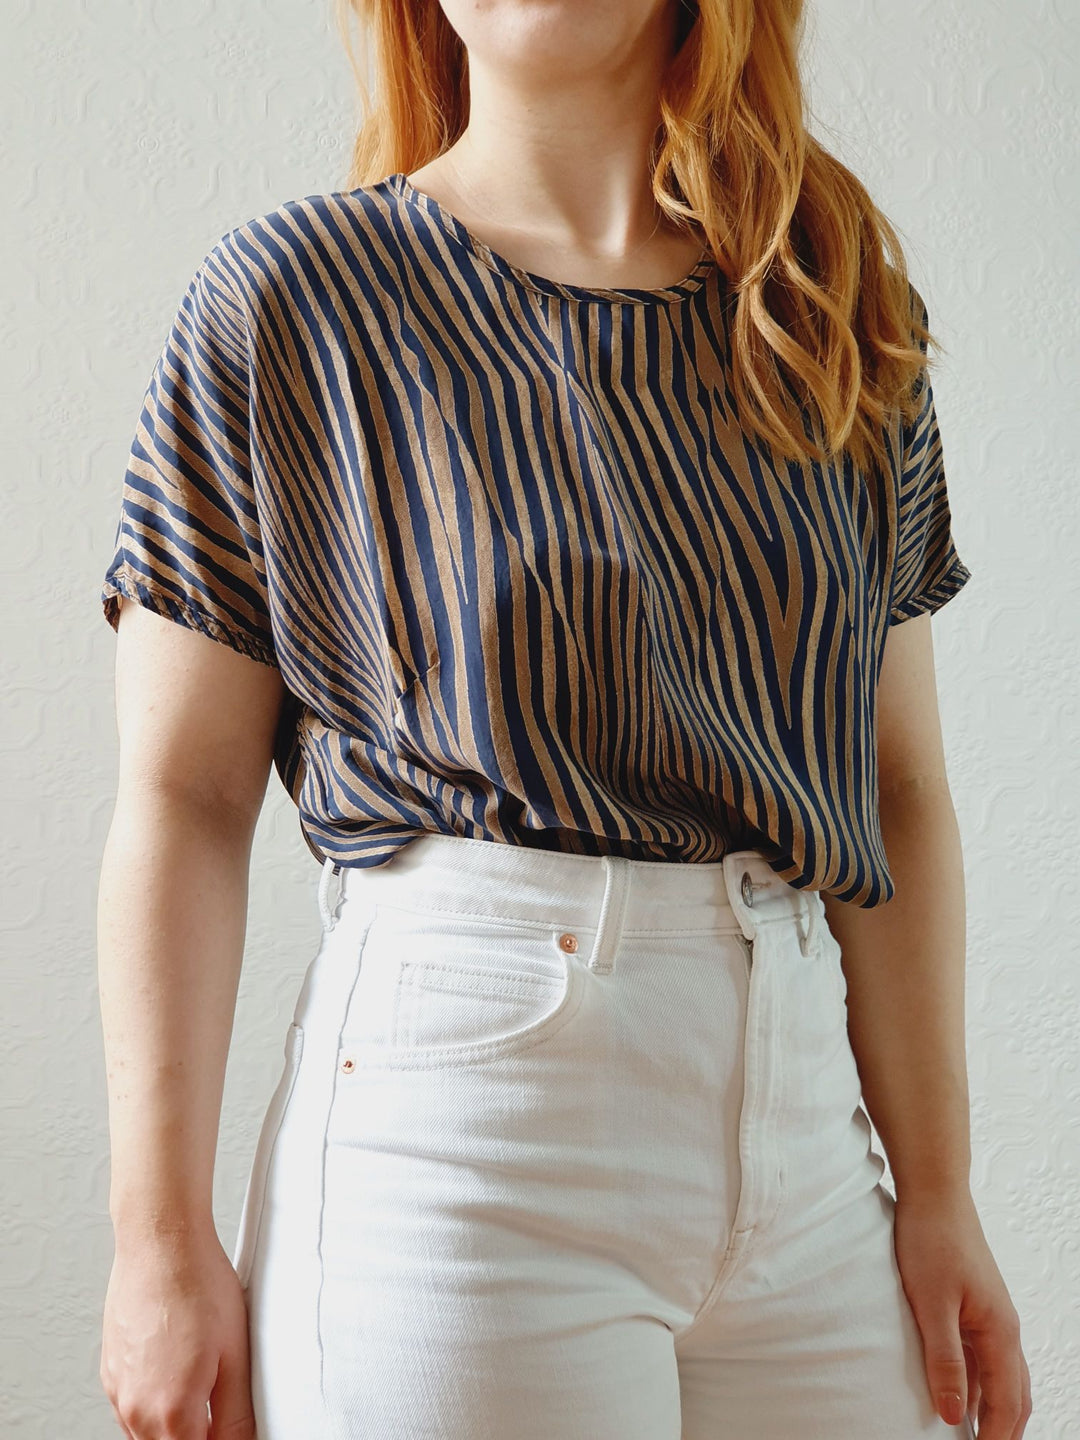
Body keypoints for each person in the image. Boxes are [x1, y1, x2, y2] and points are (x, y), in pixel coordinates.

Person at [95, 1, 1032, 1437]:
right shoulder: (295, 300)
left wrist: (942, 1191)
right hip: (462, 1136)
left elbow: (896, 787)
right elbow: (184, 799)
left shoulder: (831, 307)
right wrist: (157, 1241)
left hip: (807, 1135)